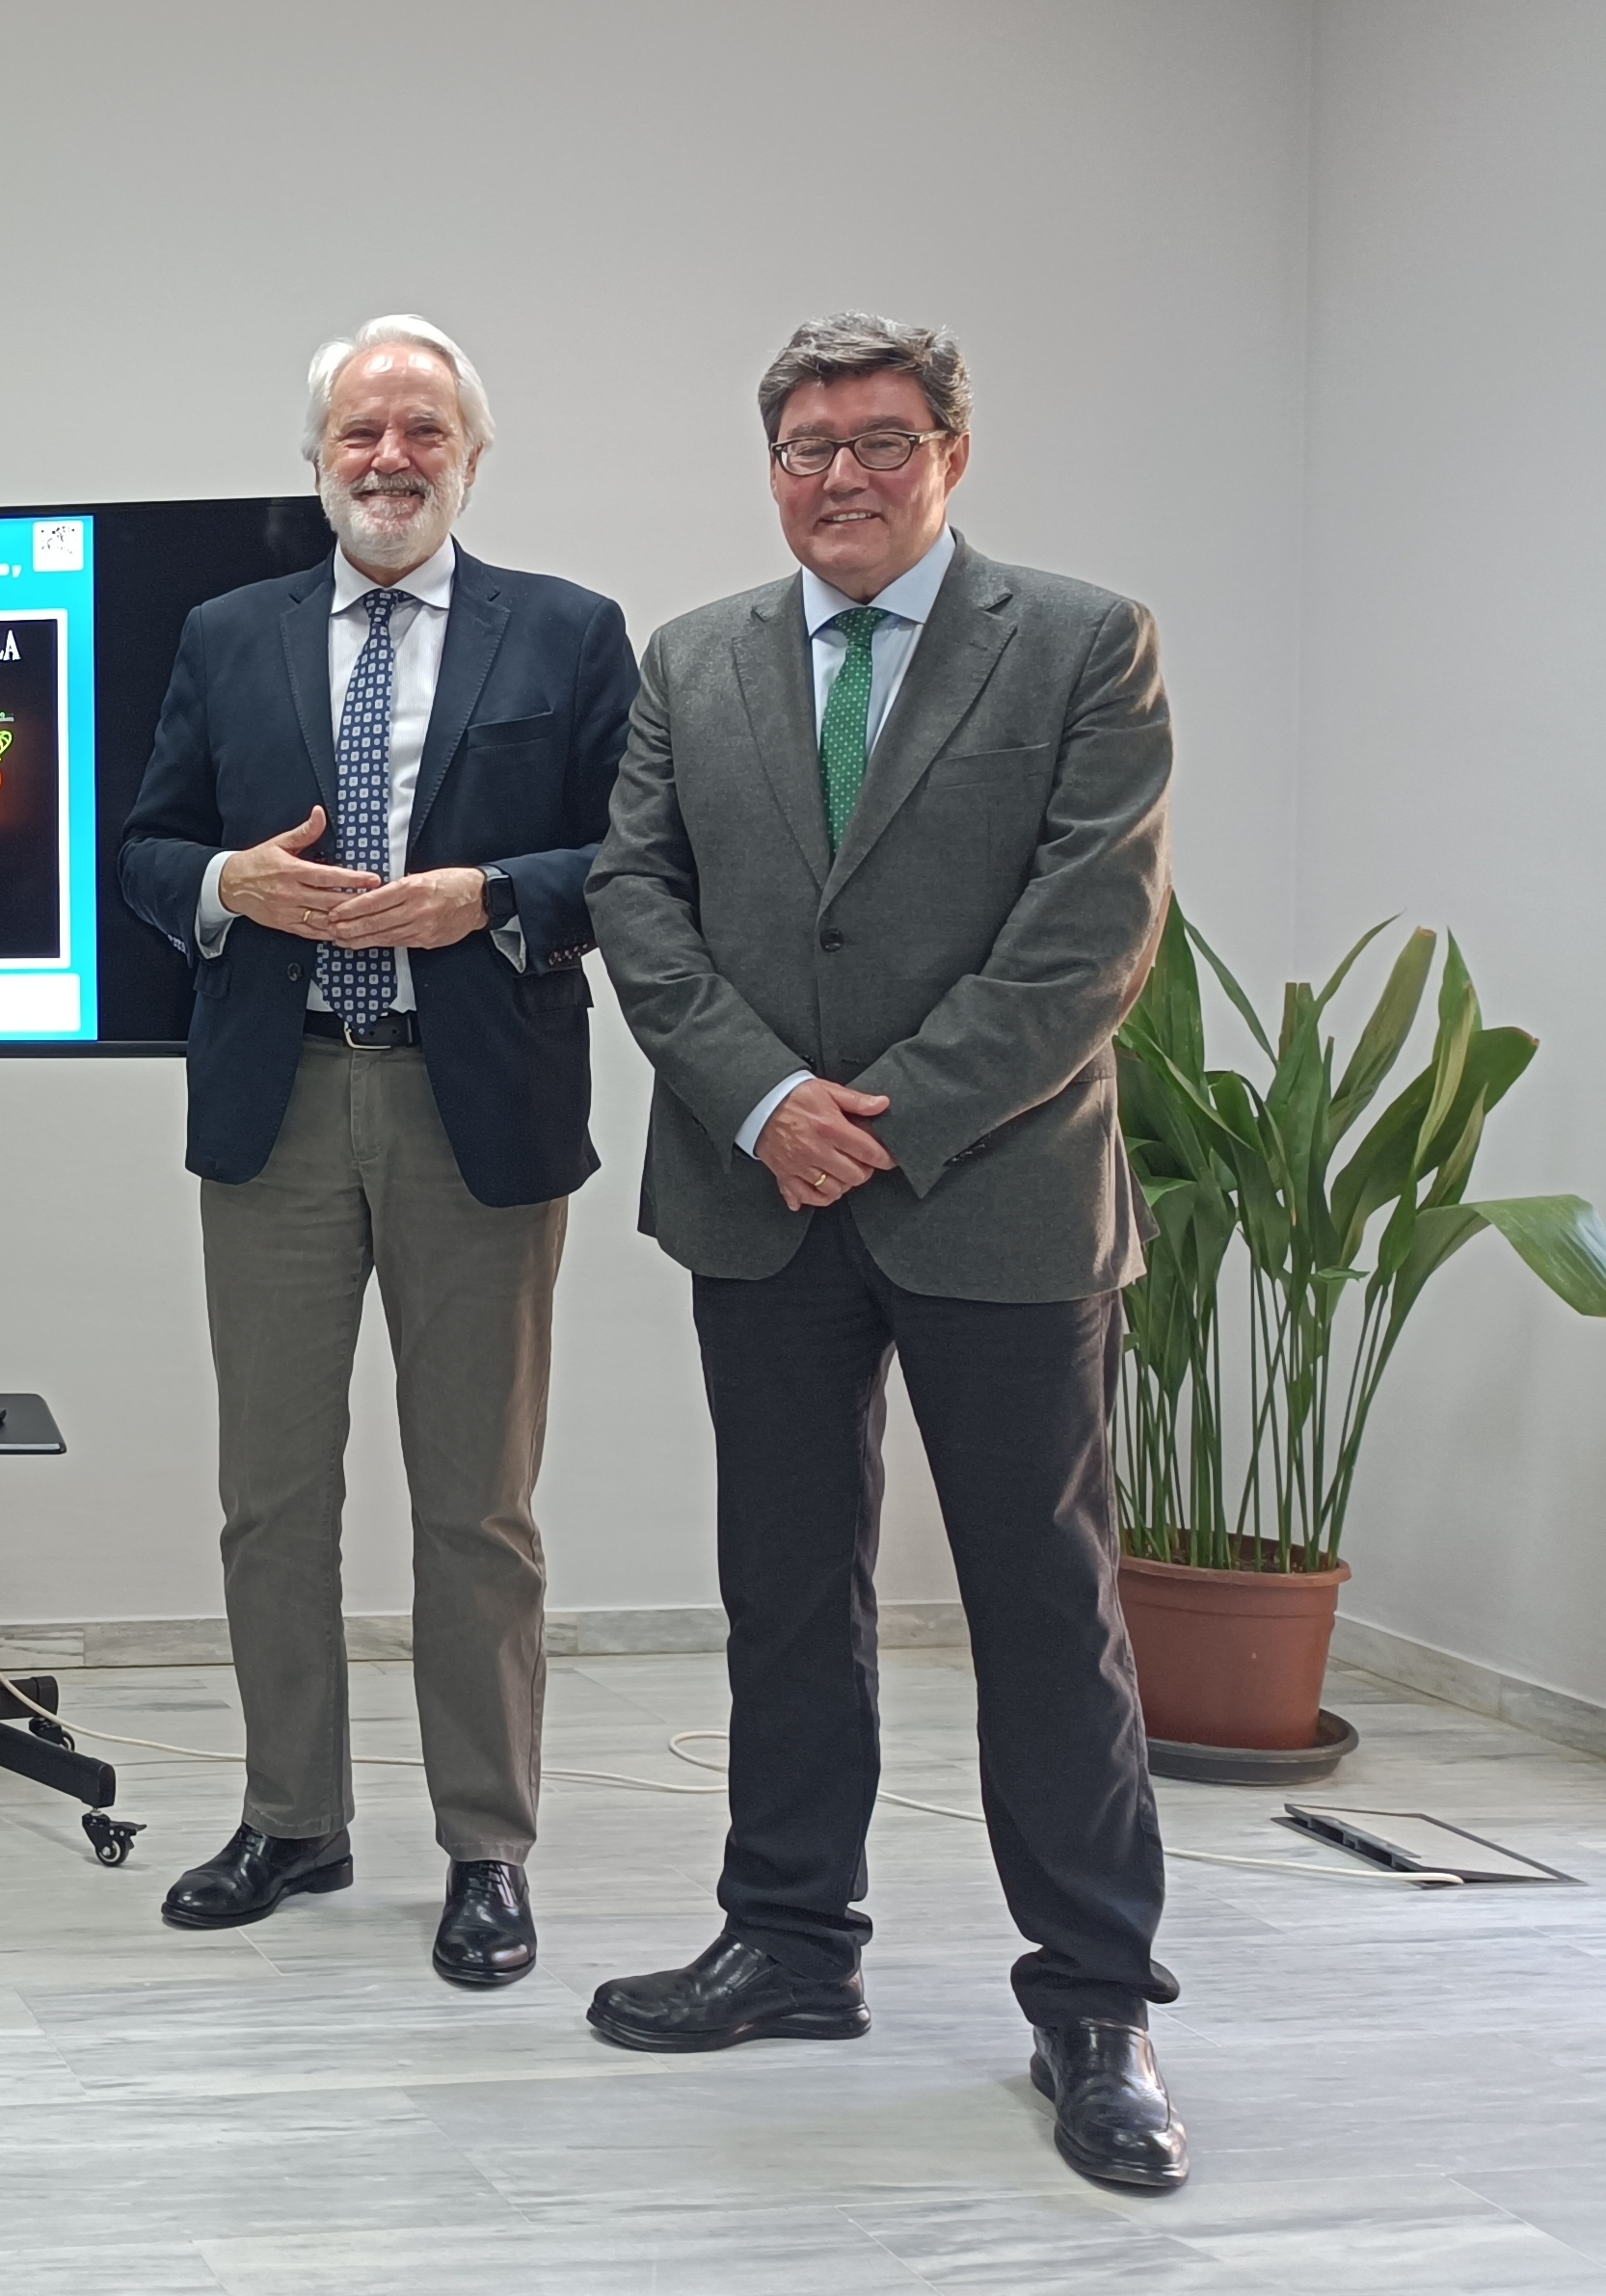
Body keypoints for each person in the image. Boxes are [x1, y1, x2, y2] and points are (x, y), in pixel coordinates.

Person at [584, 314, 1188, 2192]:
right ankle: (789, 1939)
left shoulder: (1084, 644)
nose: (841, 473)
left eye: (881, 438)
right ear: (770, 465)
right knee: (785, 1586)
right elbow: (633, 892)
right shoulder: (693, 661)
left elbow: (1092, 932)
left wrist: (890, 1113)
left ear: (950, 452)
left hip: (996, 1199)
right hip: (759, 1200)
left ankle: (1095, 1999)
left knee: (1042, 1604)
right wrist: (772, 1101)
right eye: (807, 445)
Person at [117, 315, 637, 1988]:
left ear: (469, 457)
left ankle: (486, 1847)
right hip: (276, 1104)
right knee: (271, 1496)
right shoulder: (227, 631)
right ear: (321, 459)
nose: (391, 458)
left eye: (423, 429)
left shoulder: (566, 635)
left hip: (467, 1105)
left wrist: (486, 896)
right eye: (362, 431)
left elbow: (633, 855)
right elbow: (146, 847)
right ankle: (294, 1816)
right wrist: (223, 886)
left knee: (474, 1506)